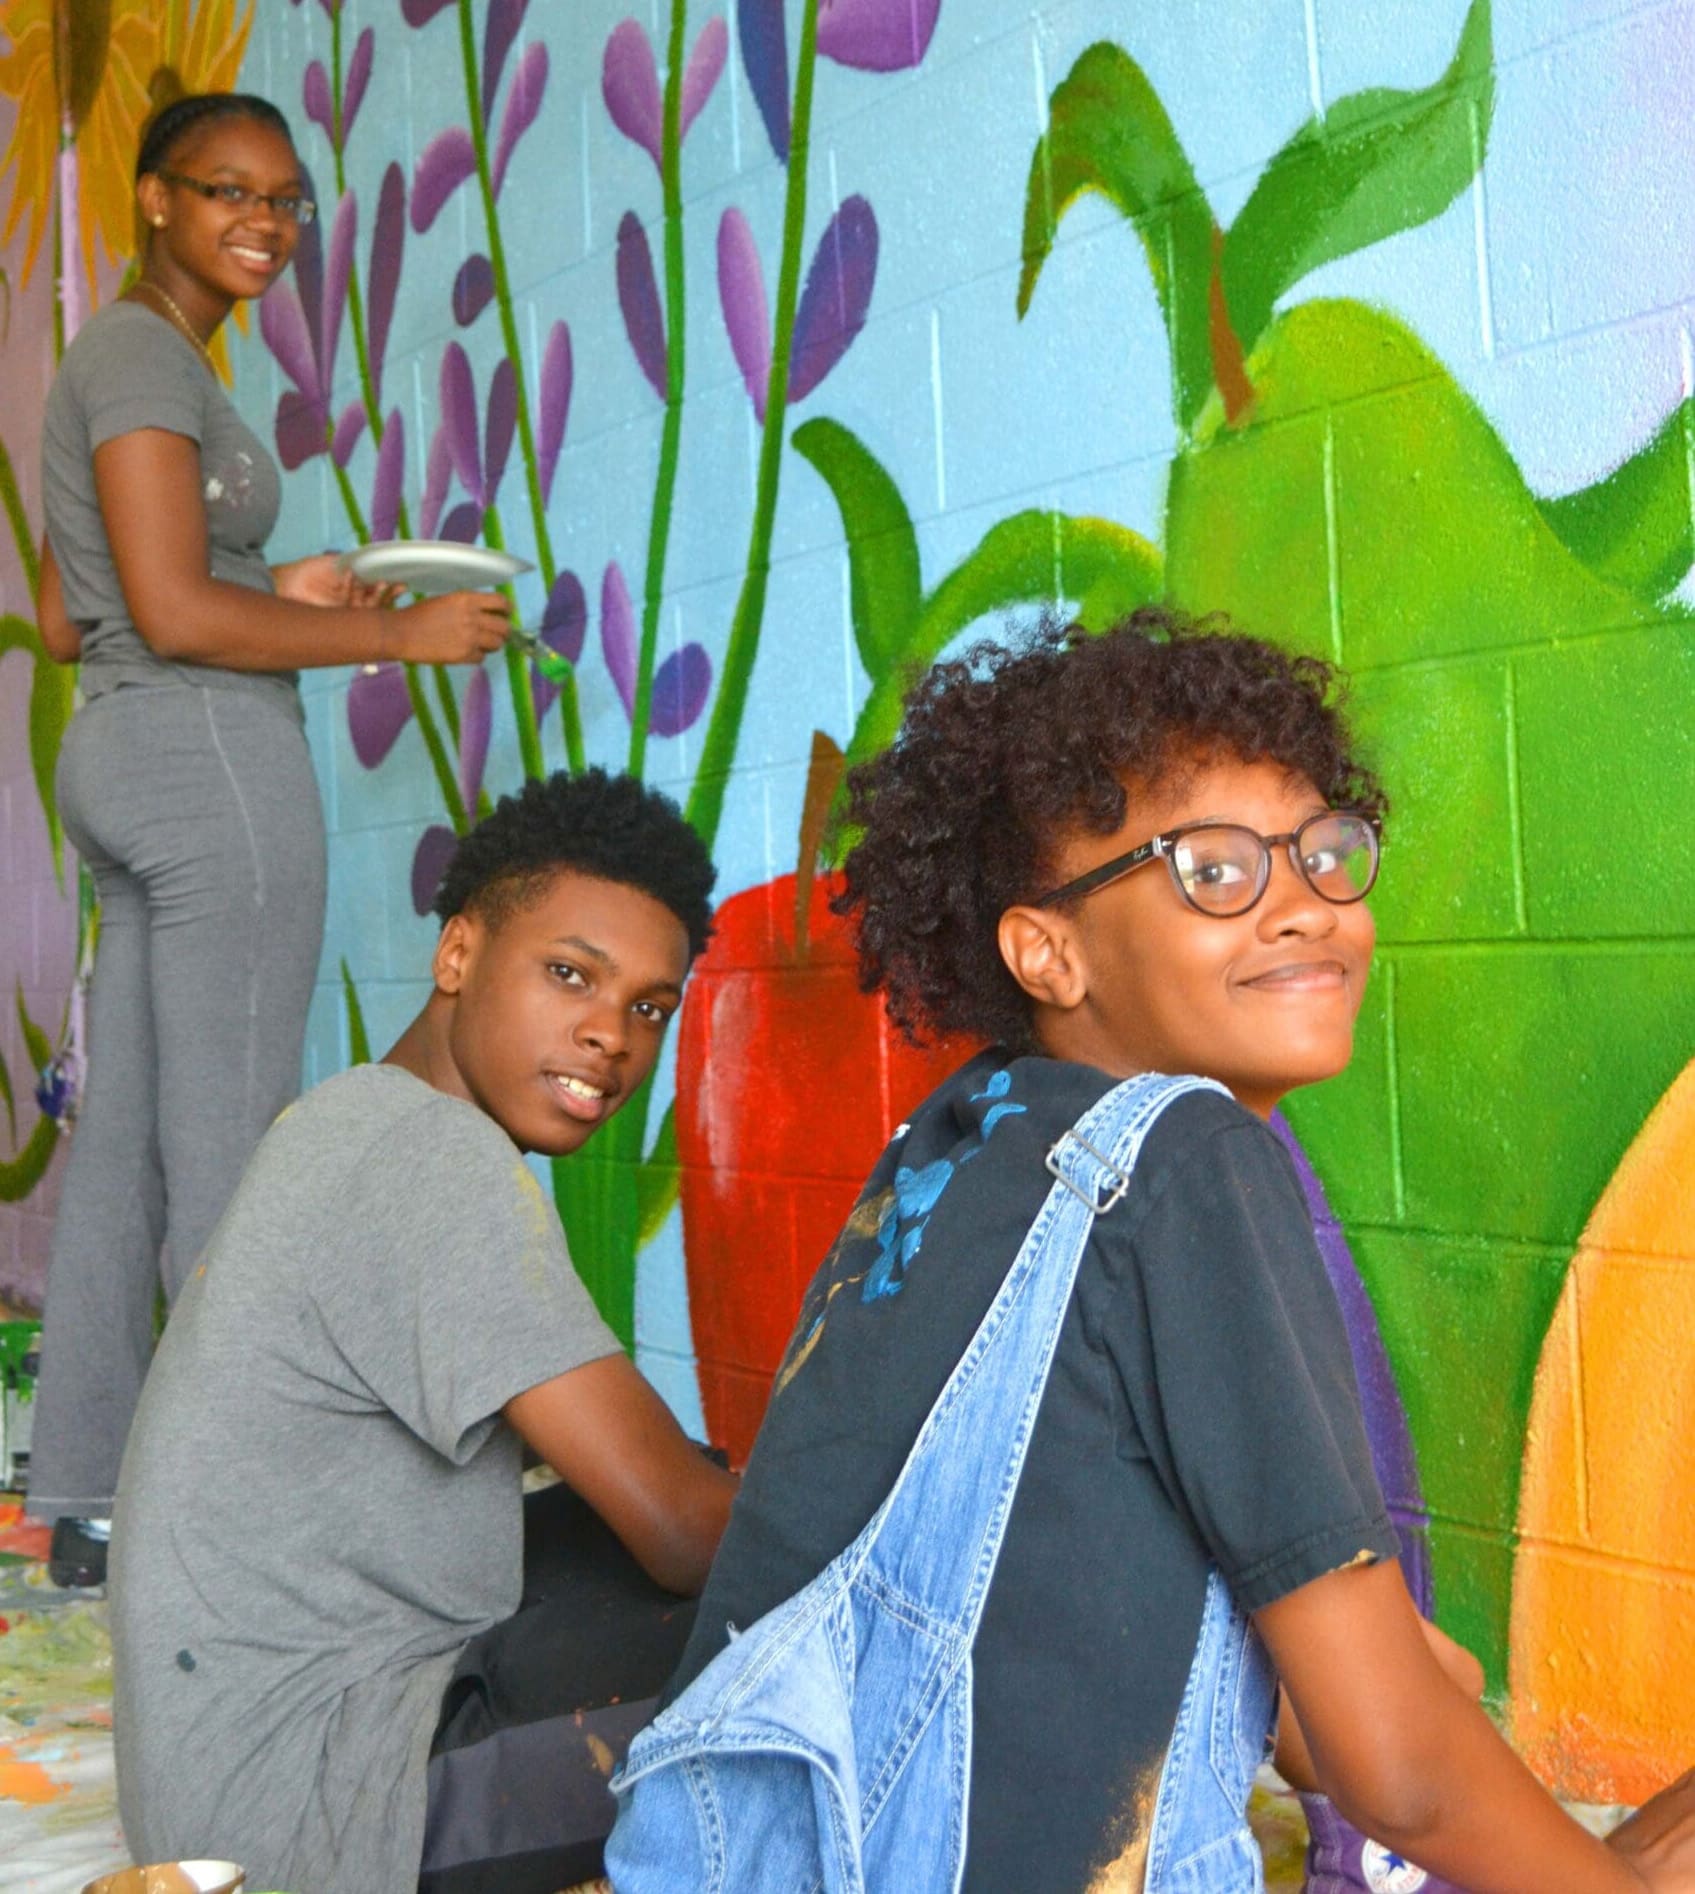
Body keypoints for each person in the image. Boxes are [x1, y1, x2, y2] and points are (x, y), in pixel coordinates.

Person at [609, 612, 1695, 1892]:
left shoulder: (958, 1144)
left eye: (1324, 854)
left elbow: (1160, 1620)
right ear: (1046, 950)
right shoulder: (1190, 1158)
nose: (1300, 908)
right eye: (1215, 872)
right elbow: (1394, 1768)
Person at [30, 90, 511, 1587]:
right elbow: (168, 614)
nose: (264, 222)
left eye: (287, 199)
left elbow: (73, 609)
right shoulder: (141, 354)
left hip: (123, 755)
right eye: (224, 190)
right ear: (153, 200)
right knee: (232, 1141)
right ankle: (236, 1495)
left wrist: (271, 577)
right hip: (205, 760)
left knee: (126, 1145)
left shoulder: (116, 360)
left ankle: (97, 1491)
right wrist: (399, 632)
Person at [108, 768, 740, 1894]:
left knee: (701, 1517)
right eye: (569, 975)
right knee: (797, 1627)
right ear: (458, 955)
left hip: (218, 1773)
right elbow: (685, 1535)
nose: (610, 1036)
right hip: (314, 1814)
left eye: (649, 1006)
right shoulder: (428, 1158)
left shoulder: (355, 1113)